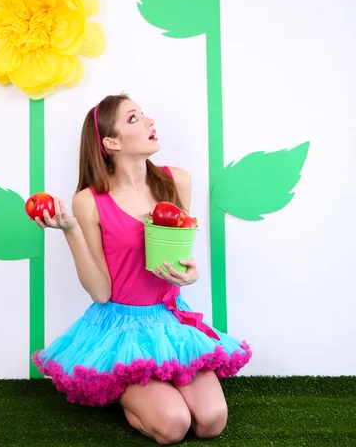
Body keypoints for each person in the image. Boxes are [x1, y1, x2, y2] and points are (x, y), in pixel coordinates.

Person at [32, 93, 251, 445]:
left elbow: (178, 257)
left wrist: (191, 274)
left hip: (170, 321)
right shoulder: (89, 201)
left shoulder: (176, 182)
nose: (149, 121)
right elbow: (100, 292)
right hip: (121, 330)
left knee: (212, 421)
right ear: (111, 142)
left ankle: (154, 389)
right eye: (134, 118)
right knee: (173, 426)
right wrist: (70, 230)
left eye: (144, 114)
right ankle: (125, 391)